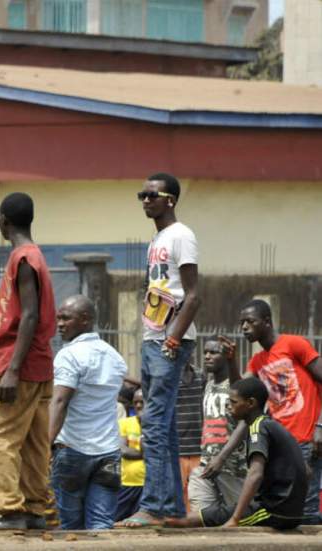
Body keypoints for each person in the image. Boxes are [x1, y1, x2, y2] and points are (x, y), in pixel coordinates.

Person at [120, 173, 201, 528]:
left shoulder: (182, 235)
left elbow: (194, 295)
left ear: (170, 199)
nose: (145, 200)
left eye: (151, 195)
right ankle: (170, 507)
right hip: (154, 337)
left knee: (153, 423)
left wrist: (171, 340)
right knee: (162, 425)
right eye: (142, 195)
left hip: (170, 340)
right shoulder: (158, 238)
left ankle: (152, 505)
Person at [0, 192, 57, 530]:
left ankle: (11, 511)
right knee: (33, 441)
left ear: (3, 222)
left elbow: (28, 316)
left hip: (19, 365)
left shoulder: (23, 258)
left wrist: (11, 370)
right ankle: (35, 510)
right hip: (39, 364)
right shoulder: (35, 256)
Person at [208, 299, 322, 524]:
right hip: (281, 443)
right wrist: (231, 361)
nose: (244, 328)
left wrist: (320, 425)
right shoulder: (257, 361)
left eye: (250, 321)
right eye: (241, 323)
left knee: (305, 507)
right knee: (281, 509)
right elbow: (240, 396)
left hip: (306, 439)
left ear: (267, 322)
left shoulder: (294, 344)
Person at [165, 378, 306, 529]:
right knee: (208, 514)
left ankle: (158, 522)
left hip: (273, 511)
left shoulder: (258, 428)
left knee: (185, 521)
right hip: (288, 511)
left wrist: (235, 519)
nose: (228, 407)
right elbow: (307, 471)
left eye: (233, 402)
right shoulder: (272, 425)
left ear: (251, 403)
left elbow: (255, 474)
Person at [47, 295, 127, 530]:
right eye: (58, 318)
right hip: (109, 453)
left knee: (69, 527)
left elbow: (60, 400)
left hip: (73, 451)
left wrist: (45, 445)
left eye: (65, 318)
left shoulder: (69, 355)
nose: (59, 324)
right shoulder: (114, 356)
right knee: (101, 525)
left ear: (85, 320)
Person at [187, 339, 245, 512]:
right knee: (201, 516)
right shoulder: (209, 385)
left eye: (213, 352)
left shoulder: (235, 387)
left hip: (233, 468)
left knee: (239, 519)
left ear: (226, 356)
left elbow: (238, 386)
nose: (207, 356)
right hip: (206, 465)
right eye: (205, 352)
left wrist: (232, 361)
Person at [175, 363, 204, 511]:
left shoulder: (201, 376)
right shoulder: (170, 376)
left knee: (197, 494)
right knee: (178, 495)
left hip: (198, 447)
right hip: (177, 448)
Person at [116, 390, 146, 522]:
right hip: (126, 483)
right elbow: (123, 451)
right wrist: (144, 454)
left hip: (147, 485)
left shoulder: (157, 425)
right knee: (116, 520)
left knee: (140, 523)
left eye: (142, 402)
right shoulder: (125, 423)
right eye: (135, 403)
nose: (138, 406)